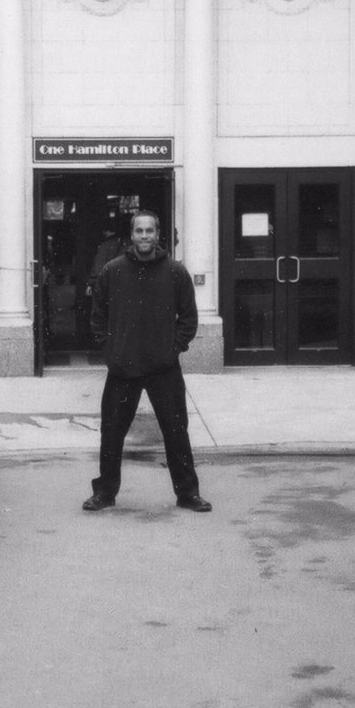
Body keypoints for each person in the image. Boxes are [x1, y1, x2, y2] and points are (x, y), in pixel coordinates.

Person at [82, 210, 211, 513]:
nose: (144, 237)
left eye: (149, 231)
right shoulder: (112, 271)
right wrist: (110, 350)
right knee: (112, 433)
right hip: (123, 368)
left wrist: (173, 349)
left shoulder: (176, 272)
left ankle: (188, 493)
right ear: (131, 235)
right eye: (139, 231)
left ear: (157, 234)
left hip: (163, 368)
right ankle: (104, 493)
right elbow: (97, 317)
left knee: (177, 431)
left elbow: (189, 319)